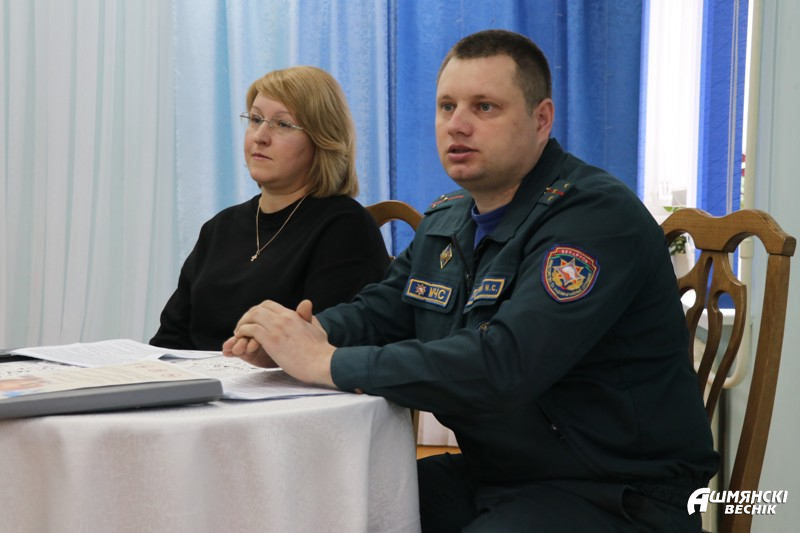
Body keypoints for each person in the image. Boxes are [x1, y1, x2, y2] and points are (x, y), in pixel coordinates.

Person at [222, 30, 719, 531]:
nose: (457, 125)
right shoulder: (449, 218)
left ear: (541, 119)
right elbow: (380, 312)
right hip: (499, 474)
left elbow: (504, 364)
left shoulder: (594, 217)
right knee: (319, 504)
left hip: (616, 492)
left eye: (484, 107)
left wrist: (327, 362)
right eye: (446, 107)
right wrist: (299, 336)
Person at [150, 66, 390, 350]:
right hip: (195, 378)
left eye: (283, 124)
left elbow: (326, 348)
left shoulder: (345, 227)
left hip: (280, 378)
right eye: (255, 119)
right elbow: (168, 340)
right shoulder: (219, 227)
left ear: (322, 140)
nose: (260, 136)